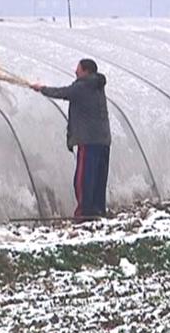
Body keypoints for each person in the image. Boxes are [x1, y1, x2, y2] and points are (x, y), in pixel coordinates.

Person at [30, 59, 111, 219]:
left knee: (83, 179)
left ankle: (84, 213)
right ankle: (98, 211)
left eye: (78, 68)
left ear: (86, 71)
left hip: (88, 140)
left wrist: (42, 89)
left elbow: (62, 92)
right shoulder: (97, 85)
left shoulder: (83, 85)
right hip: (103, 139)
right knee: (98, 178)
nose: (75, 71)